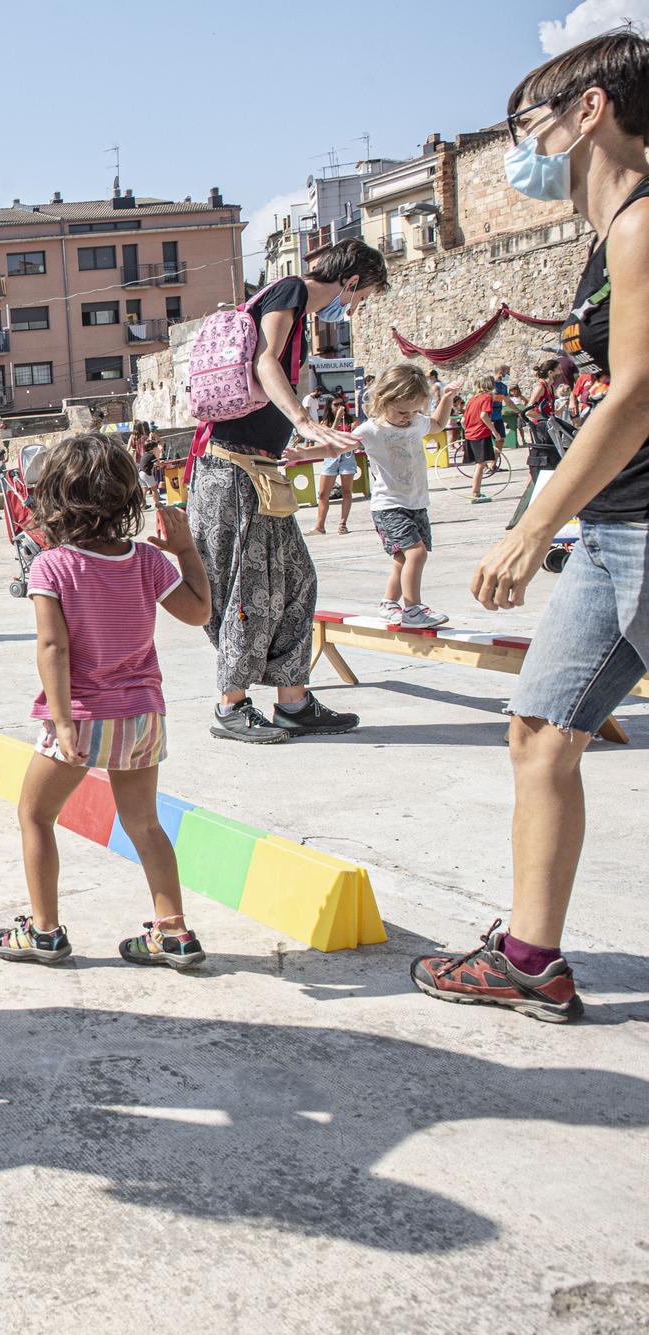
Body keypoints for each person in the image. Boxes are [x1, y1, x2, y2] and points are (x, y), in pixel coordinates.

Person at [414, 31, 649, 1023]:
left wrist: (529, 524)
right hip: (610, 527)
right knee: (539, 730)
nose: (517, 149)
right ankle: (528, 959)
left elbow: (635, 393)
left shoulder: (640, 224)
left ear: (586, 111)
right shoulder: (603, 237)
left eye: (525, 124)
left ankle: (528, 957)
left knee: (542, 733)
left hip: (633, 526)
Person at [0, 434, 214, 968]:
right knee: (145, 823)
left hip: (83, 717)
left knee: (35, 815)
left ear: (57, 499)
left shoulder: (53, 567)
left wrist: (62, 720)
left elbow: (53, 646)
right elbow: (201, 612)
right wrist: (185, 549)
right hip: (141, 716)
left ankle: (44, 932)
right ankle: (174, 933)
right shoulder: (146, 562)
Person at [193, 240, 385, 744]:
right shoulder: (292, 291)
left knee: (296, 583)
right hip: (230, 472)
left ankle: (293, 703)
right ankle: (231, 706)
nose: (358, 306)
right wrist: (304, 420)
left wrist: (295, 444)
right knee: (247, 591)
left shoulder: (297, 306)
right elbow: (264, 361)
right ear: (352, 280)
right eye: (363, 295)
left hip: (259, 469)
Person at [356, 364, 460, 628]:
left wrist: (446, 398)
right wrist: (304, 453)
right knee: (416, 553)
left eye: (414, 411)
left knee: (402, 559)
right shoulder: (371, 430)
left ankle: (389, 603)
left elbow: (437, 424)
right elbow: (338, 445)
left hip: (416, 504)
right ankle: (413, 609)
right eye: (402, 411)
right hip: (389, 506)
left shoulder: (415, 423)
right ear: (384, 401)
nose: (408, 417)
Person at [311, 403, 360, 535]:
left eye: (341, 404)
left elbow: (358, 437)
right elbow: (327, 438)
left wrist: (355, 428)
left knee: (347, 491)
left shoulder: (351, 420)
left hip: (347, 457)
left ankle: (342, 524)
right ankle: (320, 526)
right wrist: (337, 419)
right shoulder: (325, 422)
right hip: (330, 458)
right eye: (335, 405)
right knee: (322, 494)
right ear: (330, 408)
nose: (339, 407)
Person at [461, 372, 504, 501]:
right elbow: (484, 416)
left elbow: (463, 421)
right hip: (481, 433)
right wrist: (495, 433)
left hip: (470, 434)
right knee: (480, 464)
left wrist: (468, 431)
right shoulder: (487, 397)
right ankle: (476, 493)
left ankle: (476, 491)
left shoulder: (471, 399)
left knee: (480, 463)